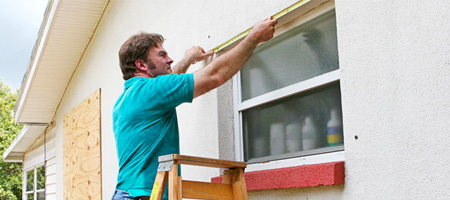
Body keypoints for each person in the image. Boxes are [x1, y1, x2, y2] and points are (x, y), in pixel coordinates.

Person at [112, 18, 278, 200]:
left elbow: (168, 85)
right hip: (141, 196)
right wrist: (254, 38)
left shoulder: (127, 98)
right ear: (141, 65)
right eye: (162, 55)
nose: (169, 59)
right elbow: (214, 75)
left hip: (127, 193)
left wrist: (188, 59)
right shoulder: (151, 91)